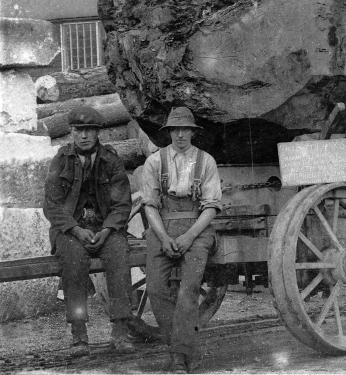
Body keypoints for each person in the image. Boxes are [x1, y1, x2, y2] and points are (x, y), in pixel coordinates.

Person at [43, 105, 135, 356]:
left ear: (98, 133)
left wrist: (107, 230)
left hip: (105, 228)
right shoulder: (60, 160)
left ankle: (120, 331)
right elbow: (51, 205)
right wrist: (74, 229)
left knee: (118, 256)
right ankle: (79, 335)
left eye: (89, 131)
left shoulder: (111, 160)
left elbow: (122, 203)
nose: (84, 136)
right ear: (71, 132)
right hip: (71, 231)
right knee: (73, 263)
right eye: (78, 130)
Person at [141, 107, 222, 373]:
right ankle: (182, 347)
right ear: (168, 133)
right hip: (162, 226)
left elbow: (210, 206)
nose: (180, 135)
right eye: (175, 130)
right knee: (154, 289)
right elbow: (150, 205)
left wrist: (189, 236)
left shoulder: (206, 161)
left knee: (188, 290)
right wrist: (163, 237)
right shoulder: (155, 162)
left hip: (197, 229)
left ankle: (179, 356)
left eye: (185, 129)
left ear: (192, 132)